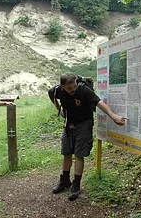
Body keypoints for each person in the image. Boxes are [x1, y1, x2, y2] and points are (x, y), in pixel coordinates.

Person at [48, 72, 127, 201]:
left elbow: (99, 103)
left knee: (79, 154)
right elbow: (51, 95)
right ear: (62, 86)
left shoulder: (83, 90)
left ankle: (76, 184)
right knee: (66, 153)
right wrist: (59, 109)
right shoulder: (57, 91)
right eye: (69, 88)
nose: (73, 90)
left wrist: (113, 116)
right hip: (69, 124)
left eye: (74, 87)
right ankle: (65, 180)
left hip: (84, 124)